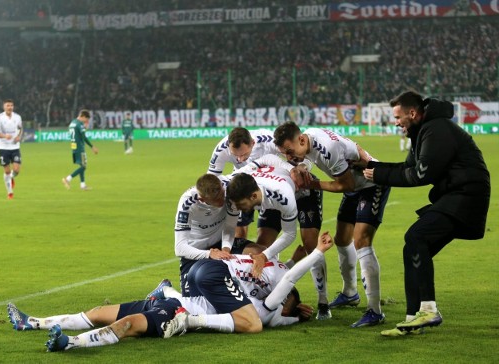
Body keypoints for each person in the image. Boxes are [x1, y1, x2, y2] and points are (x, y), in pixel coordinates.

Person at [5, 232, 334, 352]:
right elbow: (288, 277)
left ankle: (53, 333)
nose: (287, 299)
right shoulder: (251, 302)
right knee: (113, 317)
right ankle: (48, 330)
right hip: (184, 304)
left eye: (289, 303)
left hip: (183, 300)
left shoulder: (267, 309)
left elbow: (289, 283)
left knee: (115, 318)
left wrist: (299, 313)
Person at [359, 91, 490, 336]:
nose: (395, 122)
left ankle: (429, 309)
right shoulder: (422, 132)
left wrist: (379, 175)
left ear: (413, 113)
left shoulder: (436, 128)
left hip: (466, 196)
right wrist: (373, 167)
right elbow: (408, 167)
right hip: (456, 195)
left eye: (398, 116)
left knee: (417, 236)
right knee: (413, 246)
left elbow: (421, 175)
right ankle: (412, 320)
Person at [273, 122, 391, 328]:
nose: (289, 158)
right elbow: (349, 145)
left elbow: (346, 184)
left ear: (301, 140)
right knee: (342, 239)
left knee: (361, 241)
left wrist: (313, 184)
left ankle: (375, 311)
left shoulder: (327, 148)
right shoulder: (308, 140)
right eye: (285, 154)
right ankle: (350, 293)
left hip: (371, 184)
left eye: (290, 152)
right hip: (356, 186)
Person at [208, 128, 331, 320]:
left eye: (242, 205)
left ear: (252, 196)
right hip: (268, 194)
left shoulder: (283, 197)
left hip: (302, 191)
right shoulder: (242, 179)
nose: (239, 208)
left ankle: (323, 302)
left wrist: (264, 257)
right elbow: (265, 160)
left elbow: (289, 235)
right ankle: (276, 291)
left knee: (309, 244)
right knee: (262, 243)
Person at [0, 99, 23, 199]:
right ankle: (10, 193)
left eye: (11, 105)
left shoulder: (17, 117)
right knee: (7, 171)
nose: (10, 107)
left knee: (16, 170)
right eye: (8, 105)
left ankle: (11, 178)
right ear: (4, 107)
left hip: (15, 146)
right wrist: (4, 136)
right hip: (3, 147)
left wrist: (19, 137)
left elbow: (20, 128)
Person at [61, 109, 98, 191]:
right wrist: (92, 147)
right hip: (79, 147)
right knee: (84, 166)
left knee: (82, 165)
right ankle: (67, 179)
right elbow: (84, 137)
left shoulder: (72, 123)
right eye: (87, 119)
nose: (86, 121)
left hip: (74, 147)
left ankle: (83, 185)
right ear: (83, 116)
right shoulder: (79, 124)